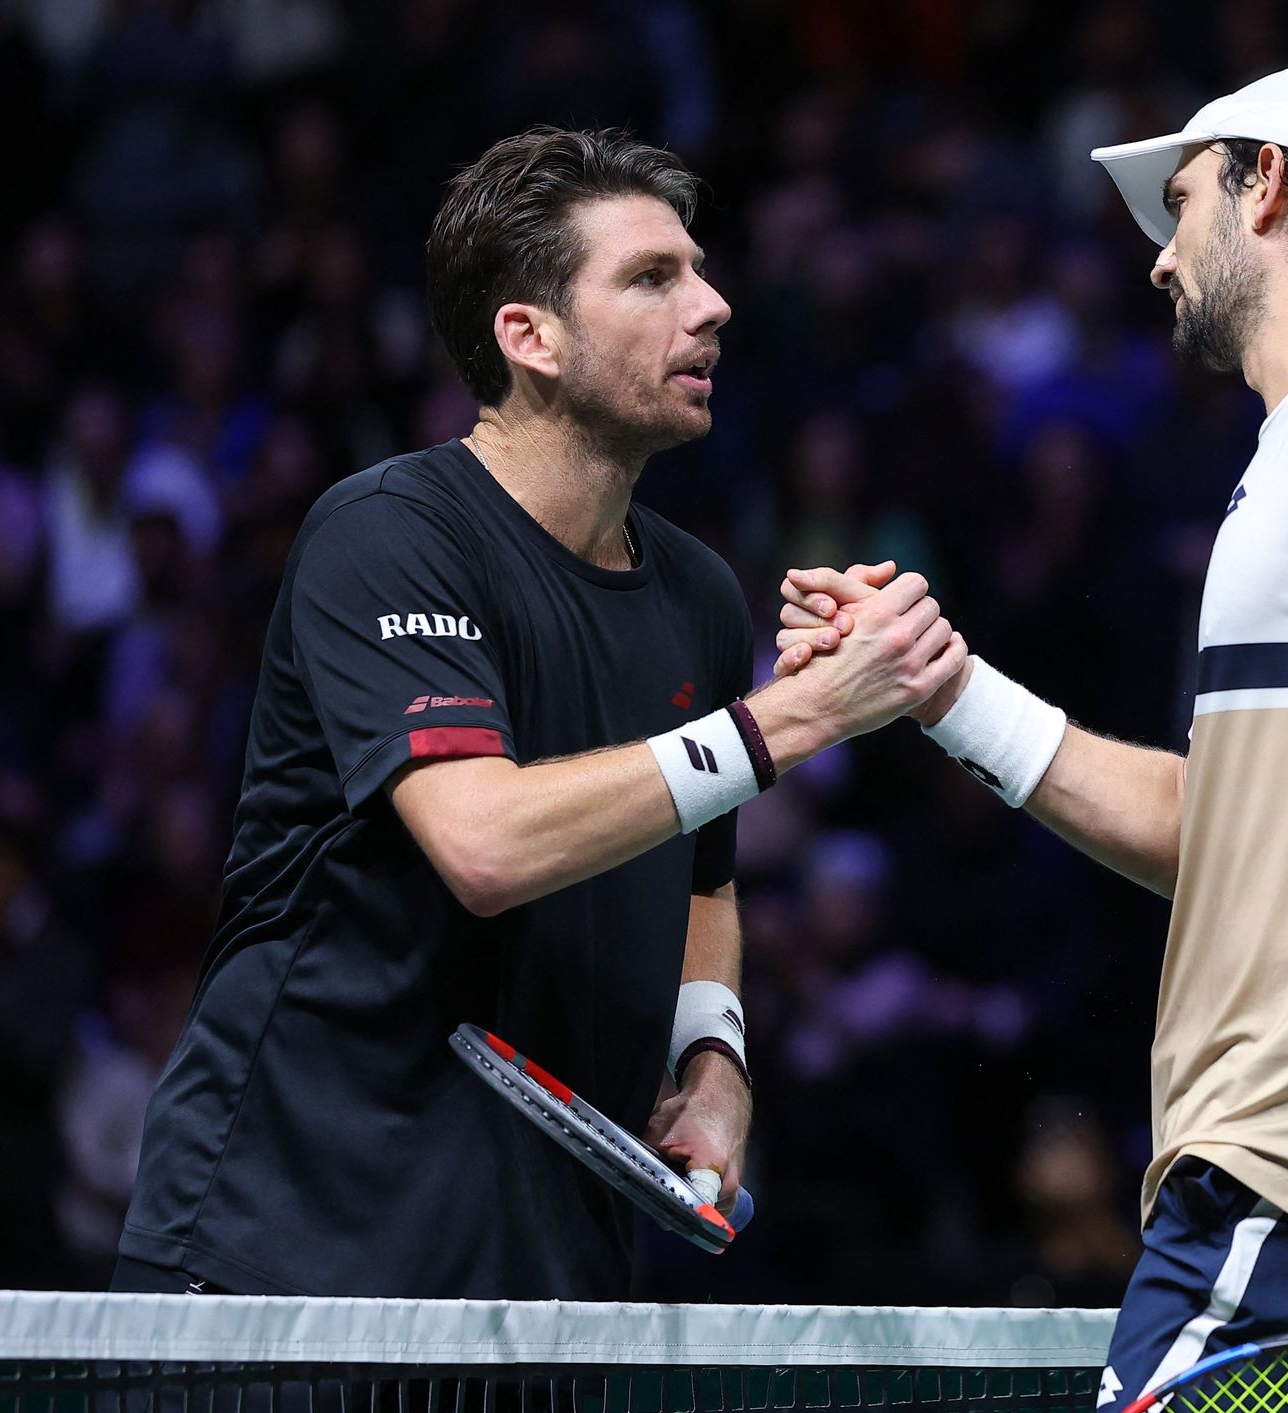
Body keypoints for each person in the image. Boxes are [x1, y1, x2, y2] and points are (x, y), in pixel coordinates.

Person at [775, 65, 1288, 1413]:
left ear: (1270, 182)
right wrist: (941, 689)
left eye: (1183, 201)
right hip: (1272, 1175)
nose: (1157, 257)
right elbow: (1225, 832)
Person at [114, 127, 965, 1298]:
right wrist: (798, 718)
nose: (712, 305)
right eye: (652, 278)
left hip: (542, 1281)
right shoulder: (388, 536)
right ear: (530, 337)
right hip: (292, 1249)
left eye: (700, 270)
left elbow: (701, 886)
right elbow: (486, 842)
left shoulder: (699, 593)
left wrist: (713, 1066)